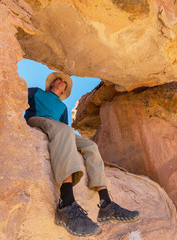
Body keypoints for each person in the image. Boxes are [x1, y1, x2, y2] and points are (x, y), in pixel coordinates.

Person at [24, 72, 140, 237]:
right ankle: (66, 203)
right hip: (38, 120)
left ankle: (105, 203)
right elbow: (17, 94)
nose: (61, 82)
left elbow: (65, 129)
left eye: (64, 82)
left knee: (91, 146)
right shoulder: (37, 92)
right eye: (58, 79)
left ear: (64, 91)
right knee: (65, 131)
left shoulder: (63, 108)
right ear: (51, 84)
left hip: (58, 128)